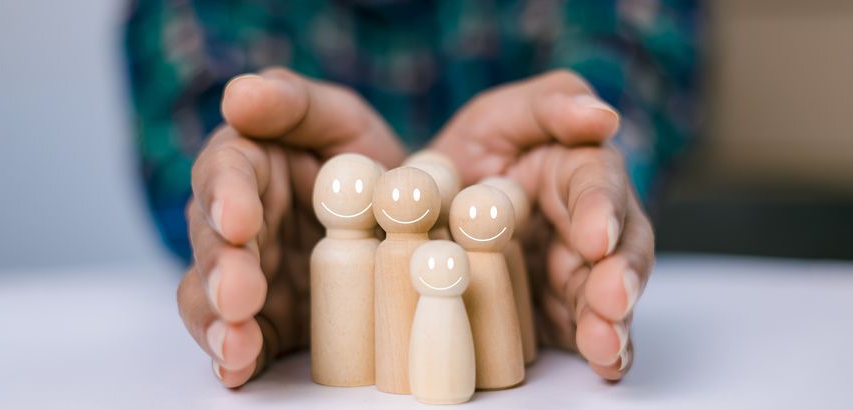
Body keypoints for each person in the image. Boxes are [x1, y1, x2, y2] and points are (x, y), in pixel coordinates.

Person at [124, 0, 699, 387]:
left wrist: (577, 144)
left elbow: (631, 56)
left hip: (523, 238)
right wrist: (236, 182)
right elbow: (187, 96)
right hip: (297, 265)